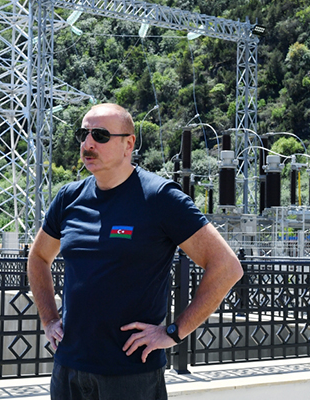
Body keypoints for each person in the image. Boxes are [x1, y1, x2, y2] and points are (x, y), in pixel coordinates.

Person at [27, 103, 243, 399]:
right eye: (83, 134)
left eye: (100, 135)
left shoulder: (159, 198)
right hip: (69, 369)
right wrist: (49, 319)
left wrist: (173, 332)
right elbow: (38, 257)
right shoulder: (69, 198)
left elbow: (227, 267)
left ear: (128, 144)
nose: (88, 144)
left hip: (131, 375)